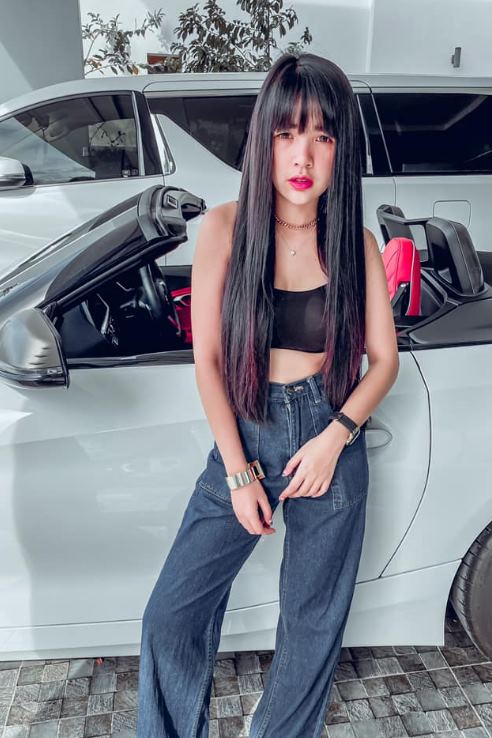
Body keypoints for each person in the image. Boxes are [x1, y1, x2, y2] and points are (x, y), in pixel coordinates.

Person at [136, 52, 399, 738]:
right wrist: (238, 472)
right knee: (171, 616)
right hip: (248, 429)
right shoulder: (226, 228)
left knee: (312, 627)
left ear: (341, 148)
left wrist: (335, 437)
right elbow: (208, 362)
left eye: (322, 136)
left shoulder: (356, 243)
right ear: (265, 140)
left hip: (329, 435)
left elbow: (384, 361)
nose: (302, 155)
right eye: (287, 133)